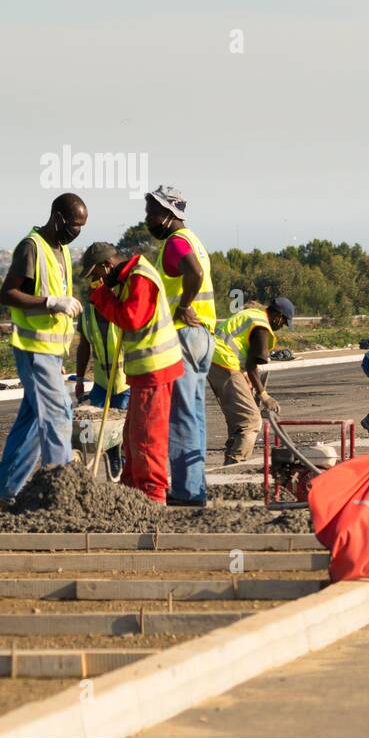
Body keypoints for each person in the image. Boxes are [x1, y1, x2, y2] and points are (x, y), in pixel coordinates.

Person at [0, 194, 87, 512]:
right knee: (58, 416)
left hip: (52, 351)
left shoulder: (62, 250)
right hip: (33, 349)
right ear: (57, 217)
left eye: (81, 227)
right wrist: (50, 302)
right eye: (74, 225)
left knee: (30, 423)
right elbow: (7, 294)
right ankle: (61, 496)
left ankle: (0, 492)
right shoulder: (32, 247)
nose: (76, 231)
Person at [82, 242, 185, 502]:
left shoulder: (140, 276)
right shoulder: (130, 277)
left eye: (98, 276)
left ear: (106, 266)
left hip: (155, 369)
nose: (99, 282)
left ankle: (152, 496)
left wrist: (102, 295)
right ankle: (132, 491)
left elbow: (131, 319)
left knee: (147, 438)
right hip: (144, 371)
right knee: (132, 436)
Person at [145, 187, 215, 506]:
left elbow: (194, 274)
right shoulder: (195, 240)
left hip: (183, 335)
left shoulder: (176, 242)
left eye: (152, 213)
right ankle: (195, 487)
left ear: (170, 215)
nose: (148, 219)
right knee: (195, 416)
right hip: (203, 337)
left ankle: (187, 492)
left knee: (181, 416)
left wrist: (183, 304)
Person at [208, 297, 294, 464]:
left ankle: (229, 464)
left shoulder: (253, 315)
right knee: (251, 420)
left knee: (238, 420)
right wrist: (264, 395)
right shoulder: (261, 327)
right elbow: (252, 365)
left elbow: (244, 357)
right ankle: (236, 465)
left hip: (213, 359)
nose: (281, 326)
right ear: (277, 315)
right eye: (282, 322)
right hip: (224, 362)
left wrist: (244, 378)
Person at [74, 286, 128, 480]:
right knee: (95, 424)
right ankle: (113, 457)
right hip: (101, 382)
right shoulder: (87, 314)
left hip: (124, 381)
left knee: (122, 427)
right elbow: (83, 347)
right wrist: (79, 380)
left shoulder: (120, 307)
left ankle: (121, 461)